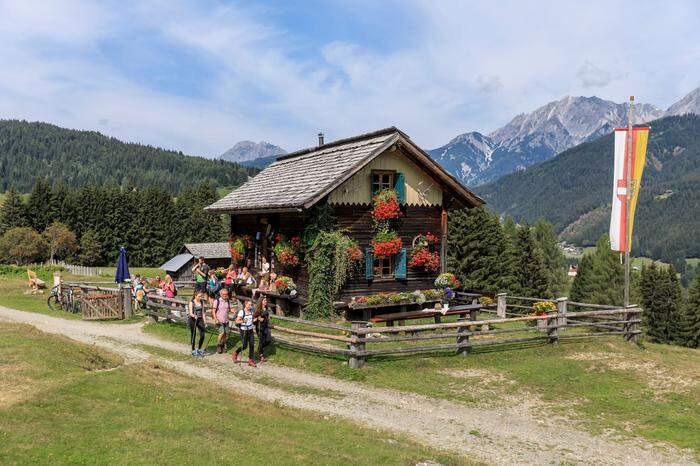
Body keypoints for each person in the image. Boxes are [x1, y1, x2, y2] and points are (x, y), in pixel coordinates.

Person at [232, 299, 256, 367]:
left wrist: (255, 320)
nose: (250, 306)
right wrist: (243, 321)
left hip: (250, 330)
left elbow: (252, 319)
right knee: (244, 346)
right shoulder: (242, 312)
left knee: (252, 345)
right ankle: (235, 353)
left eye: (251, 305)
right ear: (245, 304)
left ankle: (250, 360)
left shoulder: (252, 311)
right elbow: (237, 321)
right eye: (249, 305)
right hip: (244, 330)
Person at [211, 288, 232, 354]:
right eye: (223, 294)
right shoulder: (217, 301)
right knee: (222, 332)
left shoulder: (228, 301)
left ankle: (224, 344)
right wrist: (215, 319)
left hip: (226, 320)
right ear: (220, 294)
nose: (225, 295)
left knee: (226, 334)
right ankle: (219, 345)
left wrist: (233, 311)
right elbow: (213, 311)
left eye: (226, 294)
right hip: (219, 320)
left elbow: (229, 309)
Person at [188, 290, 207, 356]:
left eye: (201, 296)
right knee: (193, 334)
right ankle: (193, 350)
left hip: (200, 319)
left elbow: (203, 312)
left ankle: (199, 349)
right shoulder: (191, 302)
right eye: (199, 296)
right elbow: (190, 313)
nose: (200, 297)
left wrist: (205, 322)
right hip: (193, 319)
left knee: (202, 335)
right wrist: (194, 316)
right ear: (195, 296)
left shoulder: (202, 302)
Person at [254, 297, 272, 362]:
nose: (266, 301)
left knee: (269, 340)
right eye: (264, 300)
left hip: (266, 326)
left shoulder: (266, 308)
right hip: (259, 327)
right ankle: (261, 356)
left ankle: (259, 350)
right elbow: (254, 316)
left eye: (266, 300)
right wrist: (258, 318)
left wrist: (268, 318)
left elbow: (267, 316)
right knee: (261, 341)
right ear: (261, 301)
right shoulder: (258, 309)